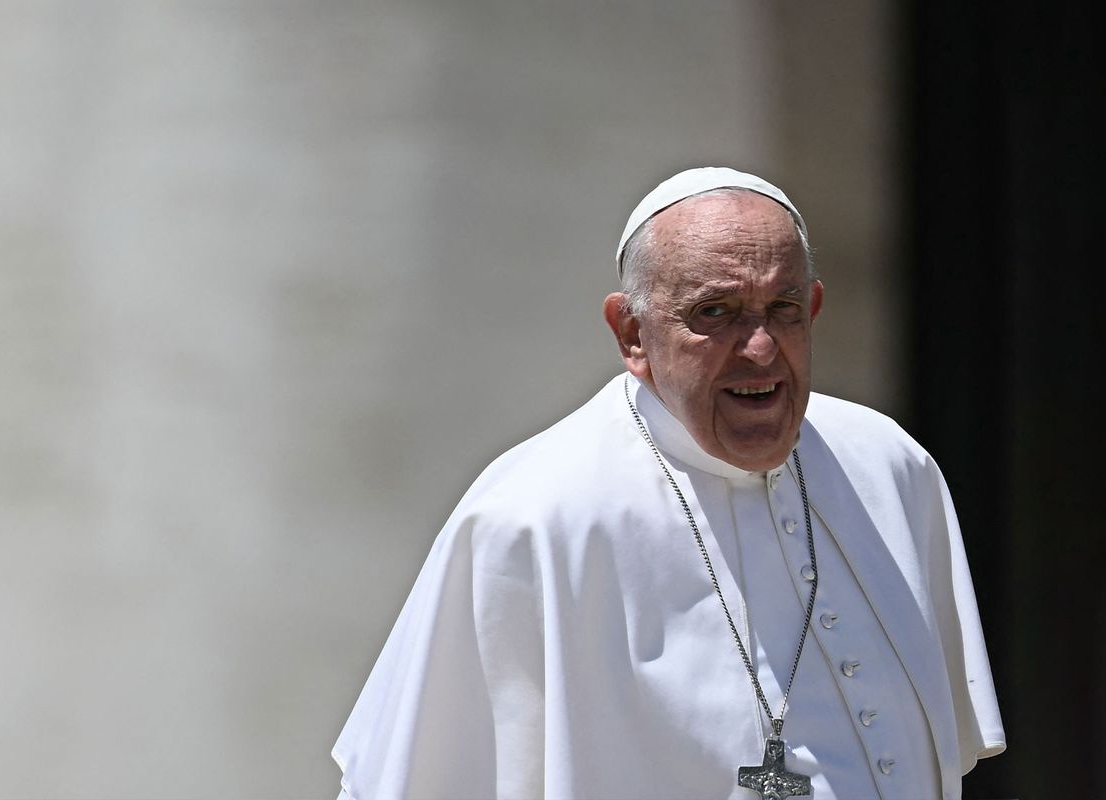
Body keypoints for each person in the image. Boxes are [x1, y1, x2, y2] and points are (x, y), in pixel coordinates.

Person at [332, 167, 1005, 799]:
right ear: (632, 332)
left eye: (784, 307)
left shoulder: (887, 465)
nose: (761, 348)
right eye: (716, 314)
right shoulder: (535, 520)